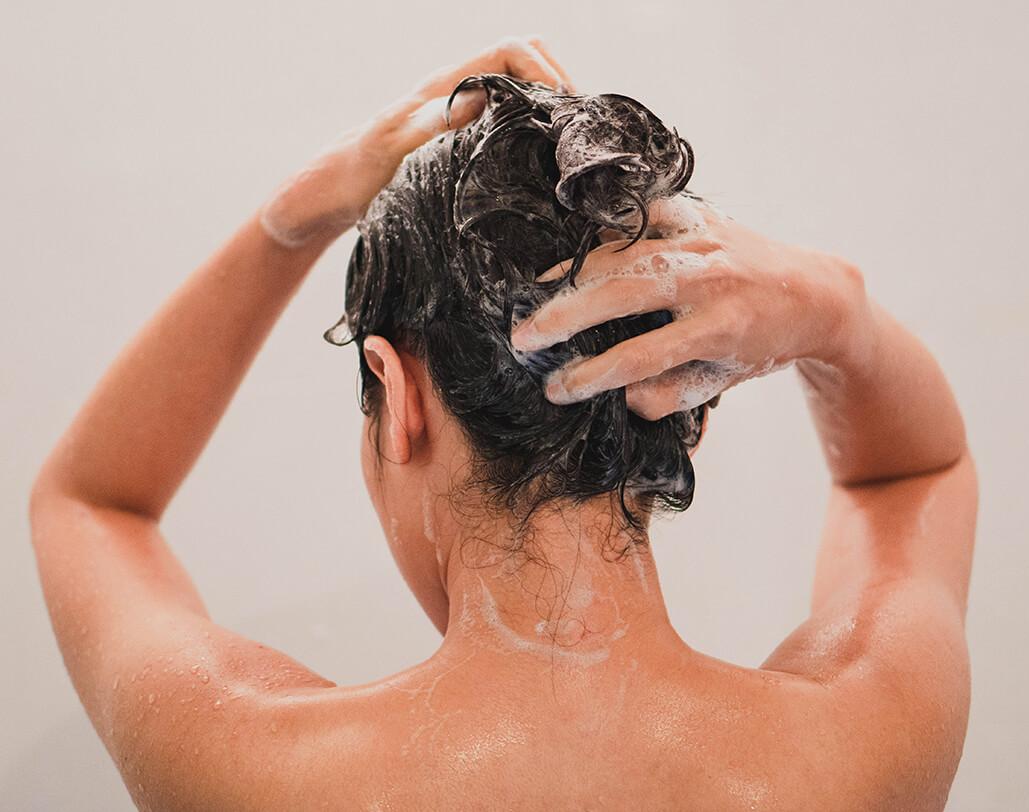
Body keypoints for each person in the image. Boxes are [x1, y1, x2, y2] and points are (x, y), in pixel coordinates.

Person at [29, 34, 977, 811]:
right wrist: (838, 312)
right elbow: (911, 475)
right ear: (685, 403)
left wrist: (295, 217)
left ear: (396, 397)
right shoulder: (854, 748)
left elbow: (91, 504)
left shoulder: (261, 768)